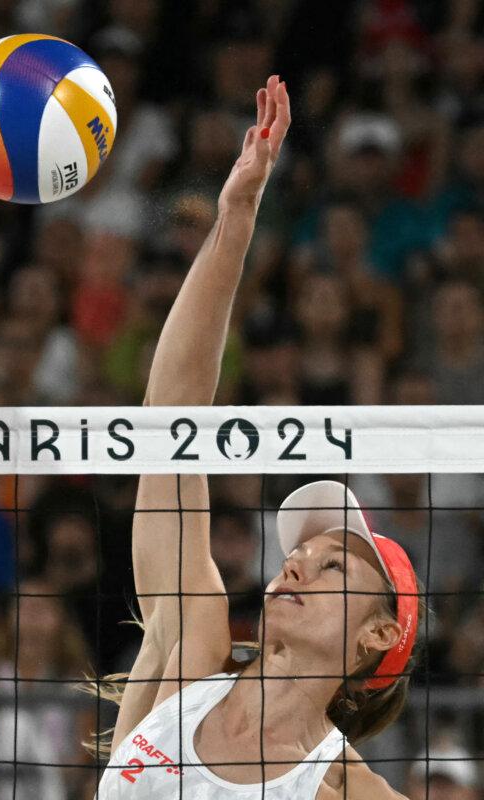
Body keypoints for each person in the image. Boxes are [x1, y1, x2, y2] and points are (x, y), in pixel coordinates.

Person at [94, 76, 419, 799]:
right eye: (301, 553)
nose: (295, 565)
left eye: (333, 567)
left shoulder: (345, 788)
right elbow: (170, 417)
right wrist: (235, 221)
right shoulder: (194, 649)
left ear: (377, 638)